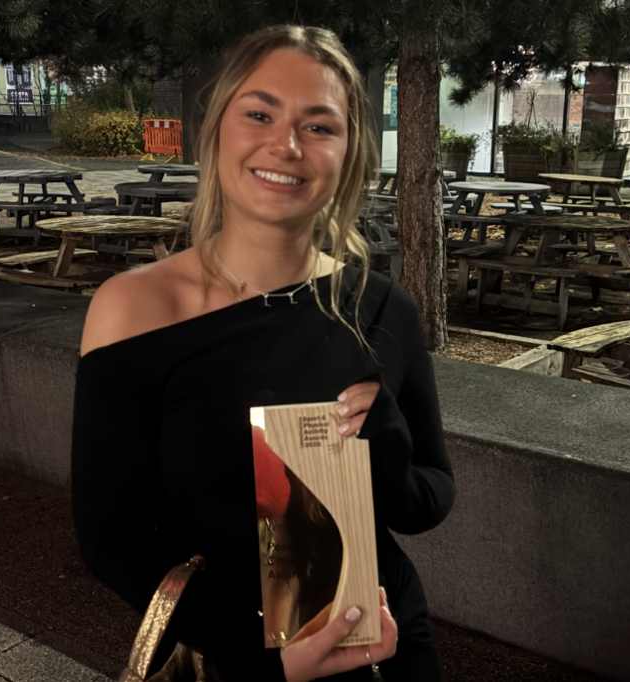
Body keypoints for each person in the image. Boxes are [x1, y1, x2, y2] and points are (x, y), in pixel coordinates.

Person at [72, 24, 455, 682]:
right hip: (230, 662)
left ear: (349, 155)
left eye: (319, 126)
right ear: (218, 126)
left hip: (387, 651)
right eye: (260, 113)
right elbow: (113, 542)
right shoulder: (133, 309)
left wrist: (387, 451)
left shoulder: (383, 308)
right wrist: (267, 656)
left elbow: (430, 498)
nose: (286, 145)